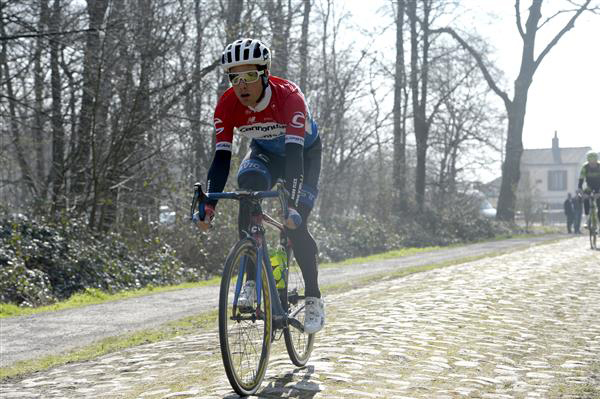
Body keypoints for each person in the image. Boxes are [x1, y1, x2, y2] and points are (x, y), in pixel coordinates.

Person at [195, 38, 325, 334]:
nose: (242, 85)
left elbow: (294, 159)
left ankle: (314, 298)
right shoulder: (227, 104)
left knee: (296, 224)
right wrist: (209, 205)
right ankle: (251, 280)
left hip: (302, 155)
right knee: (247, 189)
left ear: (265, 74)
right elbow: (221, 159)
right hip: (265, 153)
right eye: (234, 77)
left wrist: (292, 207)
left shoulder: (290, 98)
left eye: (250, 76)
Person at [577, 150, 600, 229]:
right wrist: (580, 190)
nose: (592, 164)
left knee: (599, 206)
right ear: (588, 161)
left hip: (599, 187)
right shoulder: (585, 167)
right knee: (586, 199)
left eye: (594, 162)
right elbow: (581, 180)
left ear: (596, 161)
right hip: (589, 187)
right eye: (590, 162)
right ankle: (587, 220)